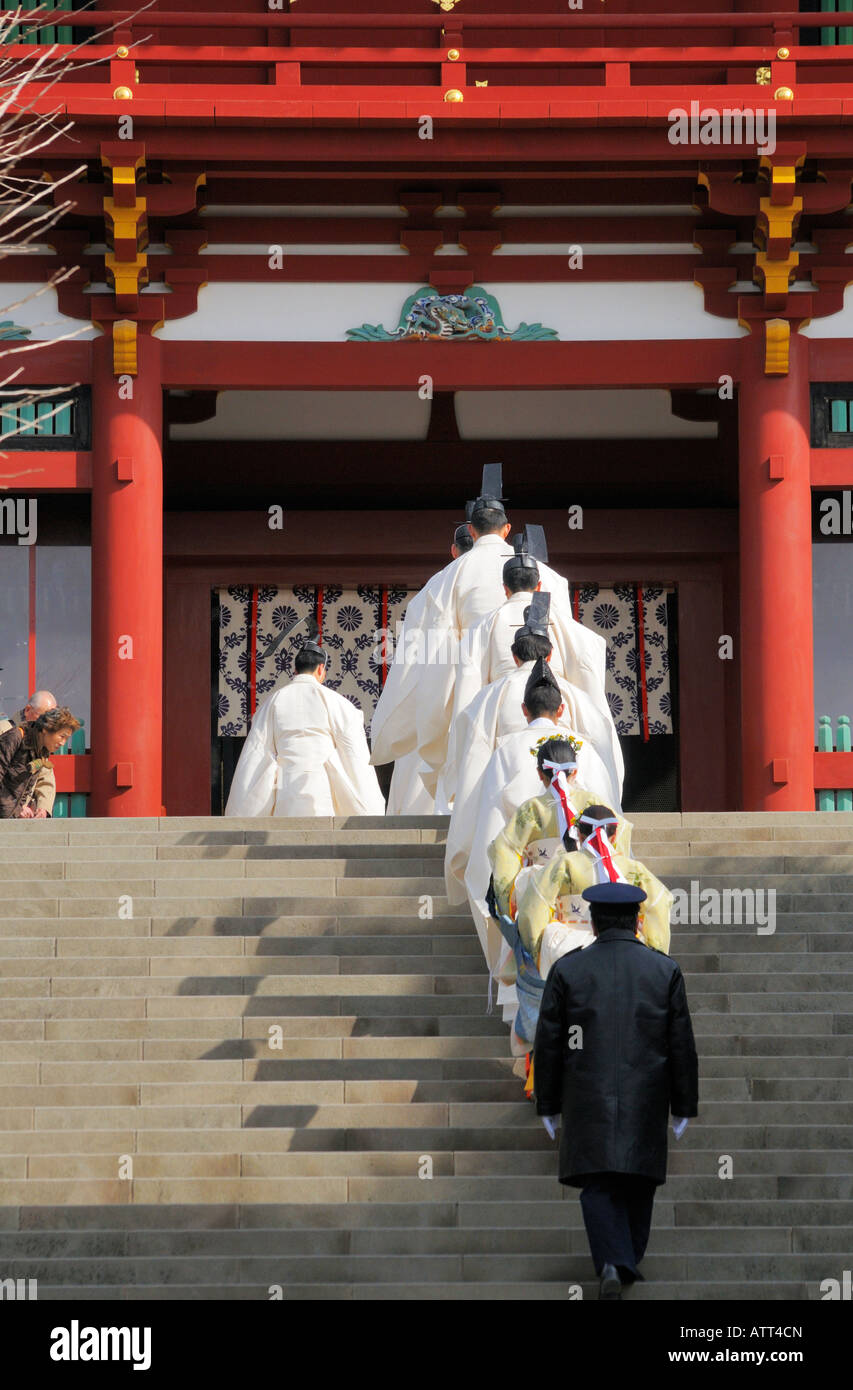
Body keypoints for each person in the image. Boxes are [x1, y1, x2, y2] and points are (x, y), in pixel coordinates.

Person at [534, 882, 698, 1300]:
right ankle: (622, 1259)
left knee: (598, 1182)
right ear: (636, 920)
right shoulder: (664, 970)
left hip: (587, 1092)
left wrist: (548, 1103)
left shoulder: (569, 970)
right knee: (640, 1180)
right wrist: (683, 1105)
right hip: (647, 1092)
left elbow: (552, 1041)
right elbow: (680, 1043)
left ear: (593, 920)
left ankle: (613, 1260)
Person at [456, 660, 615, 974]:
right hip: (587, 874)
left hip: (531, 878)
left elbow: (494, 829)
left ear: (523, 709)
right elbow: (610, 819)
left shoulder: (506, 750)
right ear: (562, 709)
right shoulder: (586, 749)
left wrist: (498, 889)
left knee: (532, 966)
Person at [445, 593, 622, 839]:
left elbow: (472, 754)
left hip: (512, 818)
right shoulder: (577, 698)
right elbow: (604, 746)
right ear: (550, 655)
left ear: (514, 657)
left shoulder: (490, 698)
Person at [370, 521, 474, 812]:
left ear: (454, 550)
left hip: (441, 684)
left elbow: (414, 654)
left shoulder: (436, 586)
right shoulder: (503, 576)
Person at [224, 639, 385, 817]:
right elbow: (354, 752)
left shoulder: (273, 702)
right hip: (321, 786)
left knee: (285, 835)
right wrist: (370, 801)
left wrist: (241, 805)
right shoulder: (336, 702)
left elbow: (256, 751)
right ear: (320, 669)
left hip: (286, 784)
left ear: (295, 670)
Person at [518, 803, 672, 960]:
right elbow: (660, 903)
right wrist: (654, 948)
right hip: (624, 947)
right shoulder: (634, 868)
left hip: (569, 948)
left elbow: (535, 904)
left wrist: (535, 950)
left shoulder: (564, 863)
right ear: (615, 835)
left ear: (579, 834)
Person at [0, 706, 80, 819]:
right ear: (46, 729)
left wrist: (39, 808)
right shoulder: (16, 736)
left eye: (66, 739)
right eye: (62, 736)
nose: (63, 743)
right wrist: (17, 808)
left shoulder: (42, 750)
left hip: (11, 818)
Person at [0, 689, 58, 817]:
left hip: (22, 815)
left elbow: (45, 779)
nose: (46, 725)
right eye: (42, 718)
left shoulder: (41, 743)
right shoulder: (5, 731)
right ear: (28, 710)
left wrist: (43, 808)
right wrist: (15, 808)